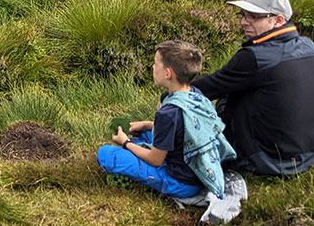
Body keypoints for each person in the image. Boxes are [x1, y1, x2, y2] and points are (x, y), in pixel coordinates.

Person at [191, 0, 314, 176]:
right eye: (243, 14)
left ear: (278, 20)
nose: (243, 22)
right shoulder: (312, 48)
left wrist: (170, 94)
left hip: (271, 161)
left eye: (253, 17)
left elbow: (209, 88)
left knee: (229, 97)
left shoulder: (255, 57)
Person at [97, 40, 236, 199]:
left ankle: (139, 171)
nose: (153, 67)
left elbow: (155, 160)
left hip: (180, 183)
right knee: (143, 135)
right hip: (198, 167)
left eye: (156, 64)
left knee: (106, 154)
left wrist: (125, 143)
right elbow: (187, 129)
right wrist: (148, 125)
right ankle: (139, 145)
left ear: (168, 73)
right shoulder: (196, 94)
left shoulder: (168, 113)